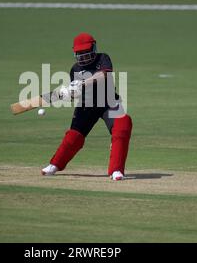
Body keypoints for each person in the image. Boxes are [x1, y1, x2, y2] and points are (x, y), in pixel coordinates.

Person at [41, 33, 133, 181]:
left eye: (86, 53)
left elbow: (103, 75)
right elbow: (77, 93)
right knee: (74, 136)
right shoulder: (75, 69)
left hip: (108, 103)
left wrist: (82, 83)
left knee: (123, 125)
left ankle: (116, 170)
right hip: (87, 105)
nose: (83, 57)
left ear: (94, 49)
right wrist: (68, 93)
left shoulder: (103, 58)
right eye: (80, 54)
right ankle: (55, 164)